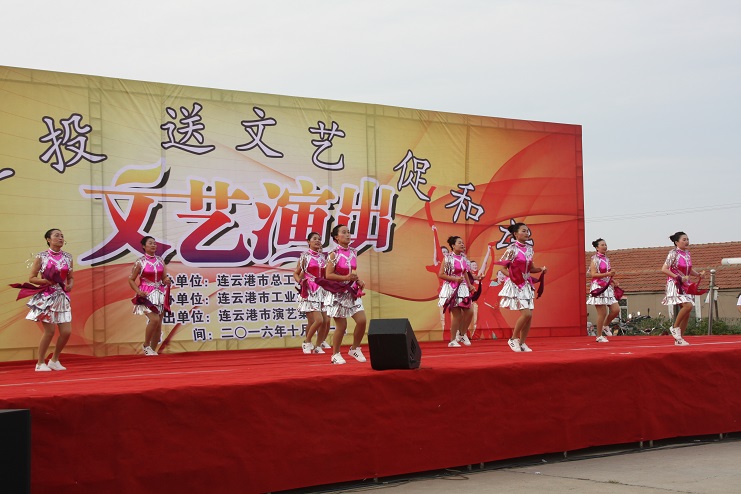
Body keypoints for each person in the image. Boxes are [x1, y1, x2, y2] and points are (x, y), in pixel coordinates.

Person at [25, 229, 74, 371]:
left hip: (62, 297)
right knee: (50, 331)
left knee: (66, 332)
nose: (60, 238)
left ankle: (54, 360)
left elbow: (70, 277)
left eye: (62, 236)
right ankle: (40, 363)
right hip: (46, 297)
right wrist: (46, 281)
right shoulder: (41, 256)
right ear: (48, 239)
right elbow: (32, 278)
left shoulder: (68, 257)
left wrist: (70, 285)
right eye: (57, 235)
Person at [497, 223, 546, 352]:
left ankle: (522, 342)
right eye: (523, 231)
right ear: (515, 234)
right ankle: (513, 339)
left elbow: (531, 269)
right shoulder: (512, 249)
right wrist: (514, 277)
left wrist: (541, 269)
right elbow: (503, 269)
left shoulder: (529, 249)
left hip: (526, 285)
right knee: (526, 314)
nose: (526, 233)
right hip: (515, 285)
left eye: (527, 231)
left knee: (529, 316)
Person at [324, 224, 367, 364]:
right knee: (341, 326)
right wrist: (346, 278)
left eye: (349, 232)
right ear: (336, 237)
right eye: (344, 232)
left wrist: (358, 281)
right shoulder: (333, 254)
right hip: (338, 293)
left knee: (362, 321)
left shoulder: (353, 252)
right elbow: (328, 275)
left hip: (352, 291)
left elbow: (352, 272)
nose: (348, 234)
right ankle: (335, 354)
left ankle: (355, 348)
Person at [129, 236, 171, 356]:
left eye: (154, 243)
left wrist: (166, 280)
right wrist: (138, 291)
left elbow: (164, 277)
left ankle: (152, 350)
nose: (153, 245)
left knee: (158, 324)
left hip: (160, 294)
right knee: (154, 319)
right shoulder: (140, 262)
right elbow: (131, 279)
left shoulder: (160, 260)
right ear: (144, 246)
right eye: (150, 243)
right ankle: (146, 345)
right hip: (146, 295)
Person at [660, 231, 705, 346]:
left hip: (685, 284)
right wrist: (678, 277)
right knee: (688, 306)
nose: (686, 241)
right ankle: (674, 327)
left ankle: (679, 339)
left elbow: (689, 269)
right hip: (675, 283)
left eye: (687, 239)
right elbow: (664, 269)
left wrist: (698, 275)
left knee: (687, 312)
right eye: (684, 240)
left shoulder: (687, 253)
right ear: (676, 242)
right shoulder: (673, 253)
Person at [293, 232, 331, 354]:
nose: (317, 241)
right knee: (317, 320)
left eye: (319, 239)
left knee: (326, 321)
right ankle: (307, 342)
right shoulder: (304, 257)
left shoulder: (323, 257)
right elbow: (296, 273)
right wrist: (301, 282)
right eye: (314, 239)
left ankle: (318, 345)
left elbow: (326, 274)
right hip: (310, 290)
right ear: (308, 241)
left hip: (323, 291)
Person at [438, 236, 478, 347]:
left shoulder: (464, 258)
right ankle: (452, 340)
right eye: (459, 243)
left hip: (463, 288)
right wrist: (455, 279)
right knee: (457, 315)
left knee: (470, 311)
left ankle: (461, 334)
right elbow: (441, 274)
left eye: (462, 243)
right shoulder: (447, 258)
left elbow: (465, 273)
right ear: (453, 245)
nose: (462, 244)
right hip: (452, 288)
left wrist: (470, 286)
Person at [586, 238, 620, 343]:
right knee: (602, 313)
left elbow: (608, 274)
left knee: (616, 309)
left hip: (607, 287)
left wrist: (613, 281)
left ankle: (605, 326)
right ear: (597, 248)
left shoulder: (606, 259)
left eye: (605, 244)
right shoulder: (595, 259)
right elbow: (593, 274)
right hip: (598, 287)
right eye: (602, 245)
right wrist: (608, 274)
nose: (605, 246)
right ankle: (599, 336)